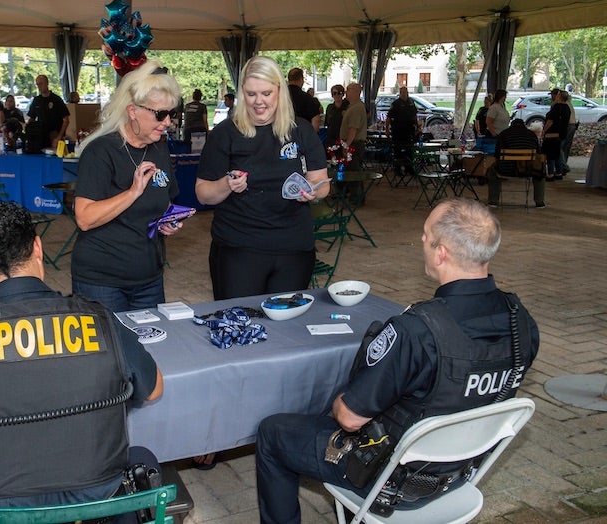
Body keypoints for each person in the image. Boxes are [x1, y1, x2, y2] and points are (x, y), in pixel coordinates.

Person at [255, 197, 540, 523]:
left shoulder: (418, 330)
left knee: (273, 432)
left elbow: (349, 419)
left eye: (425, 234)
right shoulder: (523, 324)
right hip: (458, 474)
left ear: (441, 252)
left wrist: (337, 403)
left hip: (390, 479)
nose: (421, 240)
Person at [0, 201, 164, 524]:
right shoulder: (101, 320)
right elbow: (154, 390)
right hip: (97, 509)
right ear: (38, 246)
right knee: (142, 458)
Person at [195, 55, 329, 301]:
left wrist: (312, 190)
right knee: (240, 326)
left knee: (287, 329)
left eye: (266, 93)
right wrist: (227, 184)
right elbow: (203, 193)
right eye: (251, 94)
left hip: (294, 248)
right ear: (242, 94)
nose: (259, 102)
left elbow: (321, 182)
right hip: (239, 249)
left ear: (280, 91)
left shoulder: (301, 130)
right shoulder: (225, 133)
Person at [71, 60, 183, 313]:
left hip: (149, 277)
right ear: (133, 110)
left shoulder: (159, 149)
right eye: (160, 114)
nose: (167, 122)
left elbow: (166, 200)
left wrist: (168, 219)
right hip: (102, 281)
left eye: (171, 114)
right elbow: (85, 218)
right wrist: (133, 192)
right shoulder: (101, 152)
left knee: (149, 349)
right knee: (113, 350)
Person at [486, 118, 545, 208]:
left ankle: (493, 201)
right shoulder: (531, 135)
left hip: (506, 169)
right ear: (524, 125)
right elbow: (538, 153)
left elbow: (497, 155)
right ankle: (539, 202)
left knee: (491, 171)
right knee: (540, 171)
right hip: (527, 169)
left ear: (511, 125)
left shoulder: (504, 134)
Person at [27, 74, 69, 151]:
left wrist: (58, 137)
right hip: (41, 135)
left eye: (41, 83)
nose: (39, 86)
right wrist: (28, 131)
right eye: (37, 84)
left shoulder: (56, 99)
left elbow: (66, 120)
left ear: (47, 83)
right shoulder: (37, 100)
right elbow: (31, 119)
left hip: (55, 134)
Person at [386, 86, 419, 180]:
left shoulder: (411, 102)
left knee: (409, 150)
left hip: (409, 130)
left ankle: (409, 168)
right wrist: (387, 129)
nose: (405, 94)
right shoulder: (396, 104)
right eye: (403, 92)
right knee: (398, 150)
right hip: (398, 131)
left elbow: (415, 115)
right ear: (400, 93)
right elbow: (389, 117)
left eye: (406, 92)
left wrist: (417, 127)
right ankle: (398, 169)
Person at [541, 88, 571, 181]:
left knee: (550, 155)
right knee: (557, 154)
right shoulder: (567, 108)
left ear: (559, 97)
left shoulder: (557, 107)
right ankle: (559, 172)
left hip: (552, 133)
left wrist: (544, 131)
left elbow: (550, 121)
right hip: (561, 133)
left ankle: (550, 174)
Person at [286, 68, 322, 132]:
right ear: (301, 80)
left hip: (282, 135)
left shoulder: (279, 97)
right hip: (302, 135)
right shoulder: (308, 98)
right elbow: (316, 120)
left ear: (288, 80)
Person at [559, 90, 577, 175]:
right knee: (566, 147)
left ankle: (564, 165)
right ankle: (563, 165)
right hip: (572, 125)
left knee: (560, 147)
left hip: (567, 126)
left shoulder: (564, 105)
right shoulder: (569, 103)